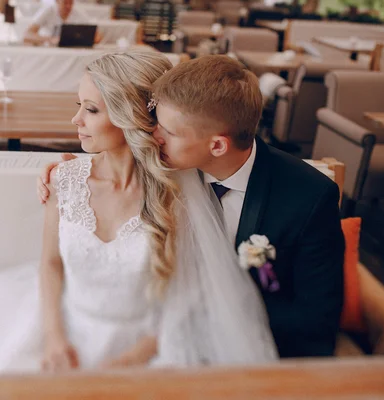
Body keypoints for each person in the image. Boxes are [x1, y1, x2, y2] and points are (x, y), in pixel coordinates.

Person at [0, 50, 278, 373]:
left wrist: (128, 362)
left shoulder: (177, 192)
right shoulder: (64, 180)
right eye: (78, 106)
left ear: (131, 117)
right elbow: (50, 264)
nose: (76, 120)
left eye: (91, 110)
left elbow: (188, 298)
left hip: (147, 346)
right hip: (64, 327)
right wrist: (54, 339)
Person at [39, 55, 346, 358]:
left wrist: (221, 320)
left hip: (244, 342)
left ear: (216, 146)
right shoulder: (172, 167)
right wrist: (67, 176)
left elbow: (315, 322)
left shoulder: (308, 198)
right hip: (132, 331)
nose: (152, 135)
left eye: (167, 131)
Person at [24, 0, 94, 46]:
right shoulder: (48, 10)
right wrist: (50, 39)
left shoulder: (78, 12)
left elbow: (97, 37)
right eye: (65, 3)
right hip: (48, 52)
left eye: (71, 3)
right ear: (57, 2)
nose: (68, 6)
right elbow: (27, 35)